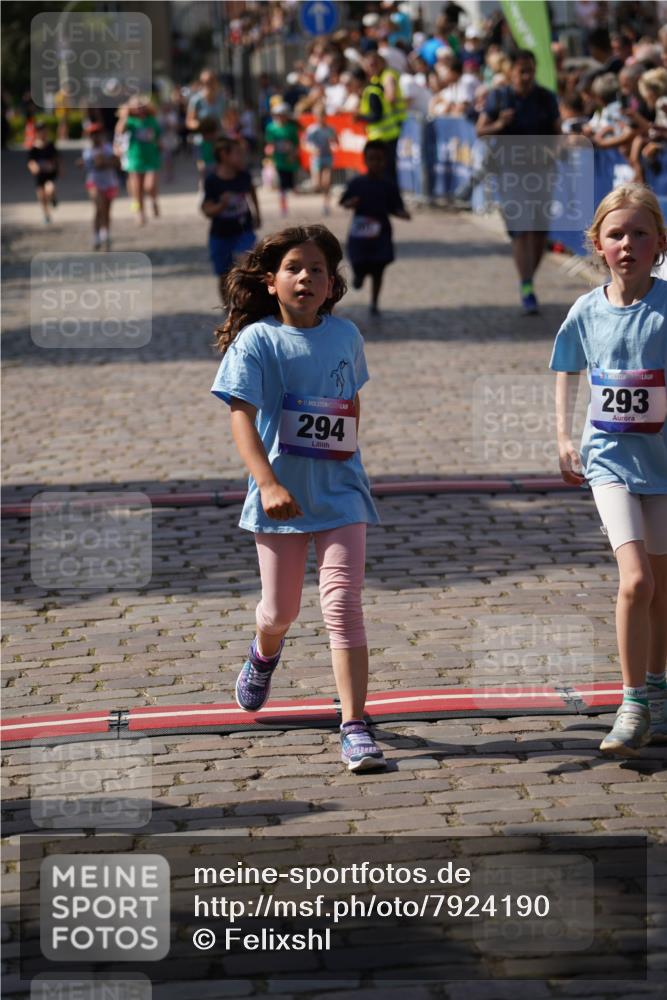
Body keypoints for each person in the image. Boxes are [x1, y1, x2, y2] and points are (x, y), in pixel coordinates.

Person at [210, 224, 385, 773]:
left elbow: (350, 404)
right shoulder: (257, 340)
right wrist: (268, 482)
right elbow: (240, 416)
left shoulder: (347, 336)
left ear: (333, 283)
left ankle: (354, 725)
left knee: (342, 605)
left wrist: (344, 456)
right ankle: (264, 651)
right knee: (280, 610)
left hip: (342, 495)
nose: (306, 276)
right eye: (293, 268)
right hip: (280, 498)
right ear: (271, 281)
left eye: (317, 269)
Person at [550, 183, 667, 757]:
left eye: (640, 234)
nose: (628, 244)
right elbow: (566, 365)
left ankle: (660, 690)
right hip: (610, 461)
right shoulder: (586, 309)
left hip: (665, 466)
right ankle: (632, 701)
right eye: (616, 234)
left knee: (662, 588)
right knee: (637, 580)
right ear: (597, 244)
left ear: (660, 244)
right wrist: (565, 436)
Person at [476, 49, 561, 315]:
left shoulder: (546, 98)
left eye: (530, 70)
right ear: (511, 71)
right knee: (521, 230)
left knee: (539, 232)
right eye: (521, 71)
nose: (526, 76)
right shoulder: (500, 97)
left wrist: (555, 151)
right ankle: (526, 285)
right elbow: (481, 130)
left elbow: (558, 133)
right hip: (510, 173)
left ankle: (528, 279)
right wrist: (499, 123)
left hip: (541, 172)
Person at [340, 140, 410, 315]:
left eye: (380, 159)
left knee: (379, 267)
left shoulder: (389, 185)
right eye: (372, 159)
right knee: (357, 259)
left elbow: (396, 207)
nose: (376, 163)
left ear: (385, 161)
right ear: (365, 159)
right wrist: (351, 202)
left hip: (381, 231)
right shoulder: (357, 183)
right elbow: (343, 201)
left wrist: (402, 214)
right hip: (359, 232)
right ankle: (359, 275)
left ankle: (374, 302)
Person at [201, 136, 261, 300]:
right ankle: (227, 308)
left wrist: (257, 213)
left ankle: (247, 303)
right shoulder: (212, 181)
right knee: (223, 275)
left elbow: (252, 191)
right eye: (238, 154)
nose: (242, 158)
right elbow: (206, 209)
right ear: (224, 155)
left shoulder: (244, 176)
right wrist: (221, 205)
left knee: (247, 266)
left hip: (244, 230)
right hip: (220, 234)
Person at [116, 96, 161, 225]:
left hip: (151, 157)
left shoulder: (151, 120)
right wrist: (124, 116)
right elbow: (119, 131)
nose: (139, 109)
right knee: (137, 188)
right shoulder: (130, 121)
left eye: (141, 106)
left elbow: (157, 135)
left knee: (150, 185)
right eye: (136, 106)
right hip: (135, 157)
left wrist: (159, 144)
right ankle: (140, 212)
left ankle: (153, 200)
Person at [80, 122, 119, 250]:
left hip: (109, 182)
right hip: (94, 182)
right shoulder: (88, 151)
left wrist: (106, 161)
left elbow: (116, 162)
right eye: (93, 135)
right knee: (98, 207)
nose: (95, 137)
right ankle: (96, 235)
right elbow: (91, 164)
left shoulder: (108, 147)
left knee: (107, 210)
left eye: (97, 134)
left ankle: (105, 234)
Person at [264, 103, 300, 217]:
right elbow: (269, 143)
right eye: (277, 115)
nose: (279, 117)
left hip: (290, 161)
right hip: (278, 160)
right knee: (281, 185)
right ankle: (283, 206)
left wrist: (293, 154)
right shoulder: (271, 128)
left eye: (281, 115)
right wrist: (269, 150)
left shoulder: (291, 128)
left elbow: (296, 144)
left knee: (291, 184)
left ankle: (292, 201)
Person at [305, 103, 337, 215]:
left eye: (322, 115)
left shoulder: (330, 129)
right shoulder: (312, 130)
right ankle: (315, 188)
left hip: (327, 156)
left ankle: (326, 205)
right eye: (318, 115)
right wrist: (312, 149)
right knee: (317, 184)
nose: (320, 117)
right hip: (316, 158)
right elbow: (306, 144)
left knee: (327, 182)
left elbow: (335, 141)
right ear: (314, 116)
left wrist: (334, 145)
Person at [26, 122, 59, 224]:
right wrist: (34, 168)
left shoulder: (50, 145)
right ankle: (46, 215)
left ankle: (53, 198)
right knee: (42, 197)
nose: (43, 133)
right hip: (40, 176)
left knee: (50, 188)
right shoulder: (34, 148)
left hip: (49, 175)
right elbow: (31, 162)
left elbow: (56, 159)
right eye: (40, 131)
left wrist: (56, 167)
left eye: (44, 130)